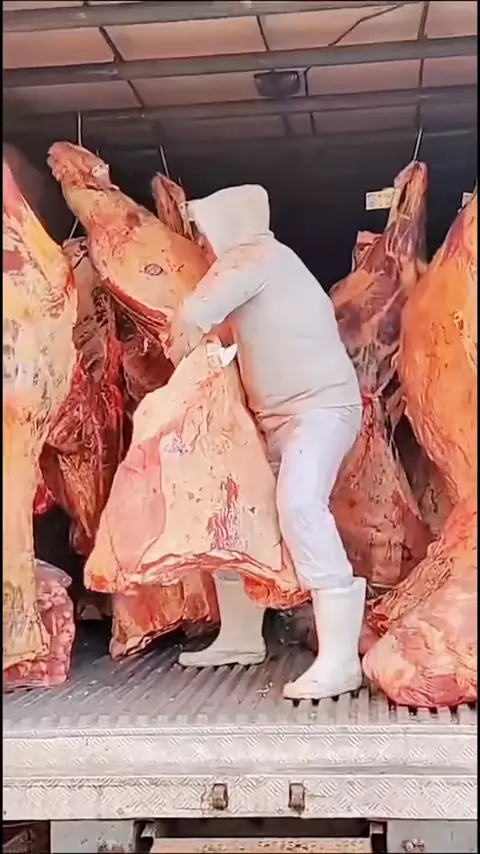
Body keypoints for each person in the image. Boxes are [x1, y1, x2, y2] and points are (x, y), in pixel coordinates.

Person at [175, 184, 365, 701]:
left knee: (300, 504)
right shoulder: (262, 264)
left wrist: (177, 362)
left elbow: (193, 315)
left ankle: (341, 659)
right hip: (278, 420)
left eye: (206, 232)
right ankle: (240, 636)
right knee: (236, 511)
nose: (205, 243)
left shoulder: (257, 256)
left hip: (319, 410)